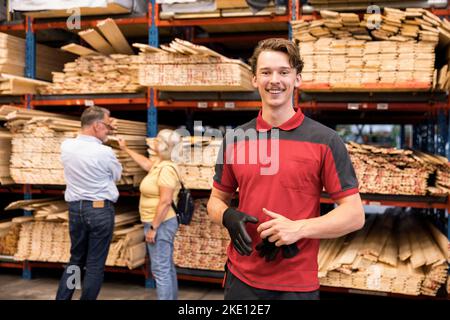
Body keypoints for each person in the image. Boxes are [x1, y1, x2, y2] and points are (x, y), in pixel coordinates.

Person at [207, 38, 365, 300]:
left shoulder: (325, 141)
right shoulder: (236, 139)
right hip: (241, 278)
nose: (274, 80)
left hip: (295, 285)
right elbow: (216, 200)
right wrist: (227, 216)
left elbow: (354, 214)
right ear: (255, 80)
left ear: (298, 78)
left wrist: (299, 229)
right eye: (266, 72)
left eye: (283, 72)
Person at [56, 106, 122, 300]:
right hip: (99, 210)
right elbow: (117, 175)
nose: (109, 130)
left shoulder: (66, 146)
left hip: (76, 210)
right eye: (108, 126)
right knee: (94, 264)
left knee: (75, 260)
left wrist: (107, 133)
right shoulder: (105, 152)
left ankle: (63, 298)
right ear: (96, 125)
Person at [118, 129, 181, 300]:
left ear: (163, 146)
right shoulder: (160, 164)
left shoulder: (167, 169)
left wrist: (153, 227)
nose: (153, 143)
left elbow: (166, 201)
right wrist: (125, 149)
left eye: (157, 141)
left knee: (160, 270)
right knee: (166, 267)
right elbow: (146, 164)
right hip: (160, 222)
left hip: (161, 223)